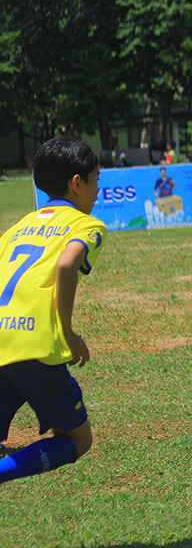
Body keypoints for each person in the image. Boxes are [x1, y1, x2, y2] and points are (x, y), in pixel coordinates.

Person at [0, 138, 108, 486]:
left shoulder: (17, 228)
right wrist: (67, 333)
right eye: (96, 180)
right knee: (78, 439)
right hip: (34, 343)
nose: (98, 191)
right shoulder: (86, 225)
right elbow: (66, 264)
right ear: (77, 183)